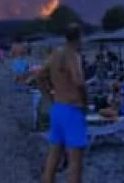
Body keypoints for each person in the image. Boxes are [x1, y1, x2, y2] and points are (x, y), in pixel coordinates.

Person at [37, 24, 87, 183]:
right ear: (79, 37)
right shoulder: (72, 55)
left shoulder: (55, 54)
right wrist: (85, 101)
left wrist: (48, 96)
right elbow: (78, 81)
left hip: (57, 108)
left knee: (53, 159)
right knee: (75, 164)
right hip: (72, 109)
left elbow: (39, 76)